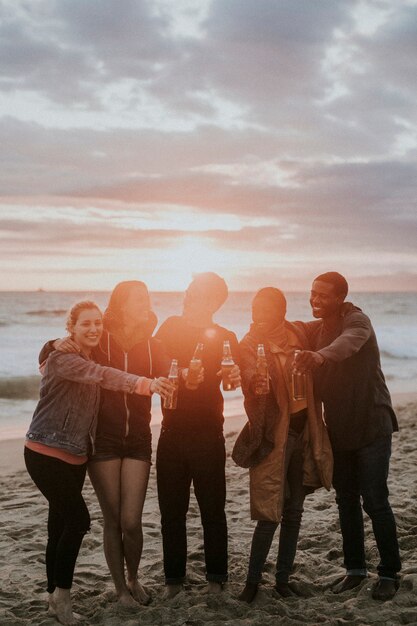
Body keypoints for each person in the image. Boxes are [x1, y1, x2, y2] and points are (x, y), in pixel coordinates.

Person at [25, 301, 172, 625]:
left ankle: (53, 593)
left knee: (58, 526)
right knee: (78, 521)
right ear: (71, 327)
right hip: (46, 452)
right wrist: (146, 384)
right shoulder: (65, 358)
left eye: (97, 324)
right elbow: (103, 375)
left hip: (76, 455)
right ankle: (62, 596)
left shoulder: (85, 355)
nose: (93, 329)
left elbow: (100, 366)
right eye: (85, 324)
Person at [295, 272, 401, 601]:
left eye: (323, 296)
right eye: (312, 293)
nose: (315, 300)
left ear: (340, 297)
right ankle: (355, 570)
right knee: (345, 501)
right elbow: (289, 330)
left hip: (372, 424)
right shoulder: (316, 329)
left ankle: (389, 573)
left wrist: (320, 356)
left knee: (375, 501)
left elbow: (348, 342)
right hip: (338, 430)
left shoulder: (356, 320)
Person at [232, 287, 333, 603]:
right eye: (253, 308)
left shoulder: (298, 332)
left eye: (264, 309)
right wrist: (255, 382)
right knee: (269, 511)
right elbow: (248, 373)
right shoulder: (249, 344)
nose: (256, 315)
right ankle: (251, 583)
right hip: (274, 436)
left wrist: (348, 310)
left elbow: (331, 327)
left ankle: (282, 581)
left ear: (280, 311)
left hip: (305, 432)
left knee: (294, 511)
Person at [154, 272, 241, 598]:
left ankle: (217, 580)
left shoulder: (225, 336)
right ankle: (173, 582)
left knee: (213, 511)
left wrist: (234, 375)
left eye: (199, 293)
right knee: (171, 513)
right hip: (171, 432)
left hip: (208, 433)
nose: (189, 296)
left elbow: (233, 381)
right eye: (190, 290)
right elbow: (156, 366)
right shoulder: (169, 327)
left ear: (215, 302)